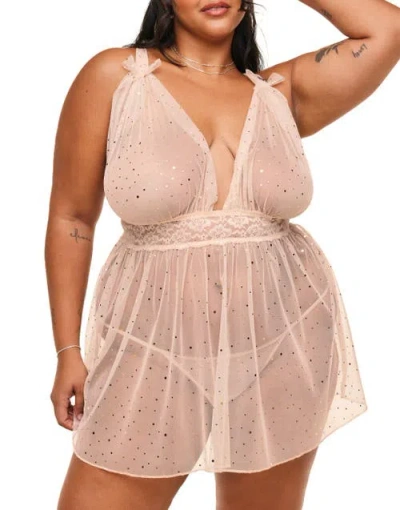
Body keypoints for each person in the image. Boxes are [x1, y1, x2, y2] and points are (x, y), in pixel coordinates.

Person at [45, 1, 399, 509]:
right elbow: (72, 219)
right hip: (154, 350)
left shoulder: (279, 92)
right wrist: (67, 350)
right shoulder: (117, 76)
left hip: (282, 343)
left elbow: (388, 28)